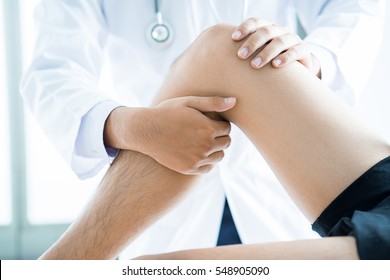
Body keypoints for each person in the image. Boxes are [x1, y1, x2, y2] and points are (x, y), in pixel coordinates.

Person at [20, 0, 386, 259]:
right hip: (157, 186)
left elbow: (355, 7)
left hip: (278, 186)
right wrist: (129, 125)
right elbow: (51, 70)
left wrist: (313, 60)